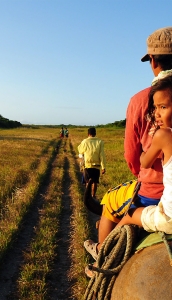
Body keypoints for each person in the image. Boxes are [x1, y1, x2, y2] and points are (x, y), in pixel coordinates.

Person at [84, 26, 172, 262]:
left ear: (153, 61)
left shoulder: (140, 100)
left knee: (110, 202)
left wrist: (140, 173)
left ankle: (101, 258)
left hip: (153, 193)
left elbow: (133, 157)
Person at [117, 75, 172, 232]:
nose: (156, 114)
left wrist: (154, 139)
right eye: (155, 108)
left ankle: (103, 249)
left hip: (169, 217)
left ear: (152, 61)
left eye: (163, 107)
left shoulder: (163, 136)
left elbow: (145, 162)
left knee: (129, 215)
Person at [78, 127, 106, 198]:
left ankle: (88, 196)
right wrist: (103, 167)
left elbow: (80, 150)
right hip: (96, 166)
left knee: (87, 182)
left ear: (88, 134)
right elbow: (102, 155)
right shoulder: (100, 142)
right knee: (95, 182)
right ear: (95, 133)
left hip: (87, 165)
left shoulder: (85, 141)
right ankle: (93, 196)